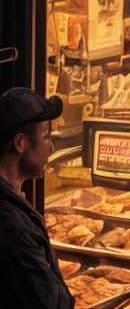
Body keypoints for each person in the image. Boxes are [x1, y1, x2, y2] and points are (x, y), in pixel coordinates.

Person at [0, 86, 70, 309]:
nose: (51, 147)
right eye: (45, 136)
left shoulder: (12, 204)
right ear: (20, 143)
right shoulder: (14, 227)